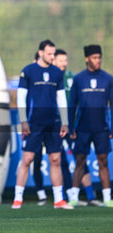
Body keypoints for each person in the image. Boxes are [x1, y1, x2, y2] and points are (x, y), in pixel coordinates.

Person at [33, 49, 102, 206]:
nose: (64, 63)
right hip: (53, 125)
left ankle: (91, 196)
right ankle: (64, 196)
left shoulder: (72, 77)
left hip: (72, 126)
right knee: (58, 160)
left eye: (65, 60)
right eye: (60, 60)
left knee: (80, 158)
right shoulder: (50, 76)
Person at [12, 39, 73, 209]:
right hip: (33, 122)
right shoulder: (28, 71)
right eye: (49, 53)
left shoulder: (57, 73)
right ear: (40, 53)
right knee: (27, 159)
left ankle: (59, 200)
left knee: (55, 159)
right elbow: (21, 97)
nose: (52, 56)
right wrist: (23, 120)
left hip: (53, 122)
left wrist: (65, 122)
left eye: (53, 54)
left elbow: (61, 98)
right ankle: (17, 199)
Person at [68, 45, 113, 207]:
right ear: (87, 59)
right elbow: (72, 104)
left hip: (101, 128)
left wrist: (112, 127)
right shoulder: (79, 79)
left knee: (103, 162)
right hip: (82, 128)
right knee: (80, 161)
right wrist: (71, 127)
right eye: (94, 58)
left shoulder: (108, 79)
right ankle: (73, 197)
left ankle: (107, 198)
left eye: (99, 57)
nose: (98, 60)